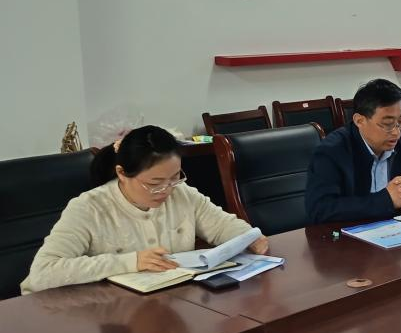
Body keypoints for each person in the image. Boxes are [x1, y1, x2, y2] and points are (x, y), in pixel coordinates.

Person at [21, 125, 268, 294]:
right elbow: (43, 272)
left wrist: (248, 238)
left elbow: (223, 225)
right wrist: (131, 262)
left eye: (174, 177)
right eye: (154, 183)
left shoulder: (181, 194)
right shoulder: (89, 208)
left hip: (170, 303)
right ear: (122, 173)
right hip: (106, 318)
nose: (166, 190)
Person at [305, 78, 401, 224]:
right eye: (388, 124)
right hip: (349, 234)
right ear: (359, 121)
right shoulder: (332, 151)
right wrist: (388, 200)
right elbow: (321, 209)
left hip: (399, 228)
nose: (396, 132)